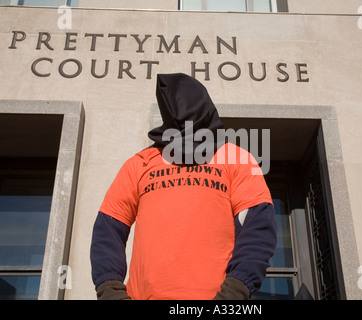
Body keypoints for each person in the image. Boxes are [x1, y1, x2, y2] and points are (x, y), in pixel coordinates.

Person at [90, 73, 277, 300]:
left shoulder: (237, 159)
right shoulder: (140, 164)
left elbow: (258, 230)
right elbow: (107, 230)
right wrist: (110, 291)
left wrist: (234, 293)